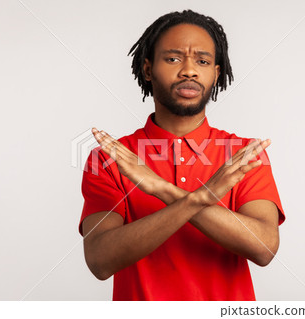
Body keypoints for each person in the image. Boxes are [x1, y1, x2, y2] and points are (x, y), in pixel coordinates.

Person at [78, 9, 285, 301]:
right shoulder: (111, 157)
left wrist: (163, 190)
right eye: (173, 58)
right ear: (148, 69)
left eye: (202, 61)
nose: (189, 70)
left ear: (216, 72)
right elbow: (100, 259)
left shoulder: (244, 154)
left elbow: (264, 248)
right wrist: (201, 197)